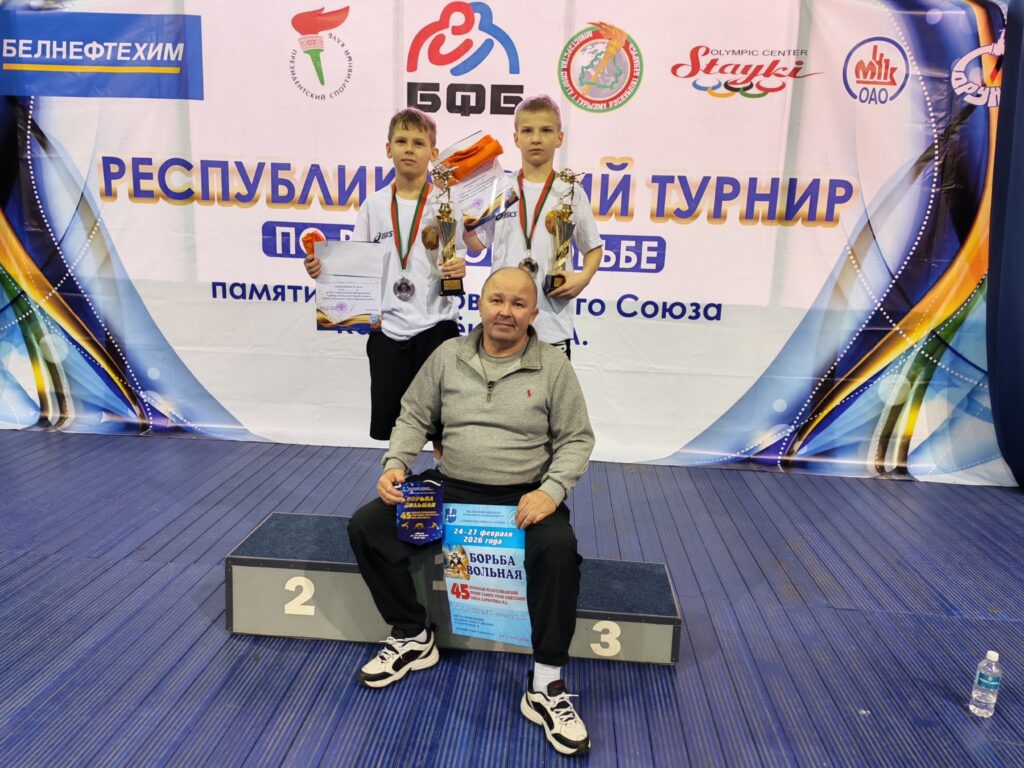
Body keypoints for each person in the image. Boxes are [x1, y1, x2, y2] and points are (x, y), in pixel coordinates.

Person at [347, 267, 595, 756]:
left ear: (534, 313)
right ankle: (413, 634)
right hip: (451, 488)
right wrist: (396, 465)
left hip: (522, 496)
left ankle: (546, 683)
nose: (506, 312)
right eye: (496, 300)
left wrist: (551, 491)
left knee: (559, 551)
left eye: (518, 304)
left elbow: (576, 439)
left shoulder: (553, 366)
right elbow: (413, 415)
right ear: (480, 304)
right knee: (368, 526)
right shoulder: (447, 355)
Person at [303, 108, 466, 440]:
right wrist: (323, 270)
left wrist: (460, 266)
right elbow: (356, 265)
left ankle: (443, 473)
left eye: (418, 143)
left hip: (436, 325)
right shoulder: (373, 206)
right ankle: (397, 475)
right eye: (401, 141)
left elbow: (460, 254)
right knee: (393, 430)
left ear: (433, 153)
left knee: (443, 430)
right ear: (388, 148)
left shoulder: (446, 204)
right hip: (387, 329)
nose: (409, 149)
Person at [469, 95, 603, 359]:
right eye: (528, 131)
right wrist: (465, 206)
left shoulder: (570, 191)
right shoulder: (501, 189)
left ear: (559, 138)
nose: (536, 138)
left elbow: (593, 248)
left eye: (546, 130)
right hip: (503, 325)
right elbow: (475, 245)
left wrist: (583, 277)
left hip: (552, 325)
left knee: (549, 388)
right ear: (516, 138)